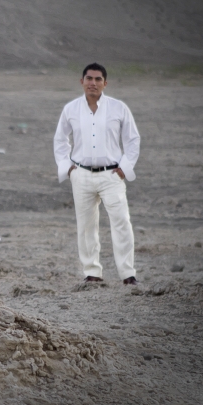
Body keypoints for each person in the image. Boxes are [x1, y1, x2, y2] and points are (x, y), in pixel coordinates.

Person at [53, 63, 141, 285]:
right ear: (81, 81)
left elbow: (132, 139)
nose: (93, 83)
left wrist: (124, 168)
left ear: (105, 83)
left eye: (98, 79)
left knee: (121, 221)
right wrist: (69, 169)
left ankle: (128, 274)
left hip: (111, 174)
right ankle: (92, 272)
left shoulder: (118, 108)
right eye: (89, 78)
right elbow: (60, 140)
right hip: (81, 174)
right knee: (86, 225)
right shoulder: (71, 109)